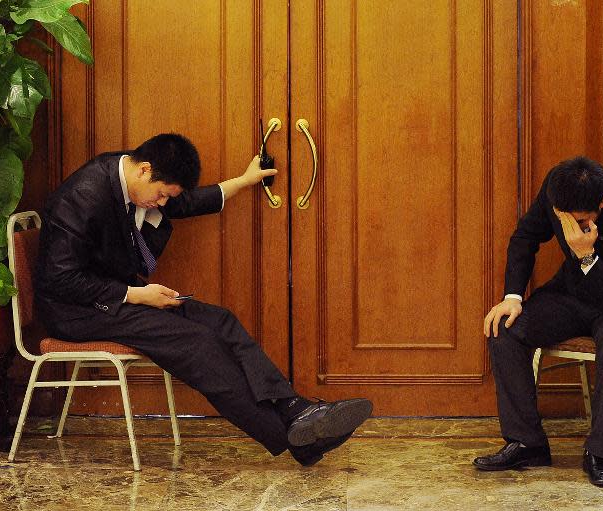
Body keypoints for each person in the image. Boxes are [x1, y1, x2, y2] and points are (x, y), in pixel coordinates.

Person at [34, 133, 372, 466]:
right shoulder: (82, 196)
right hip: (75, 310)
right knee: (197, 342)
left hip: (113, 295)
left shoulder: (137, 175)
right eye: (162, 195)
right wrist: (136, 294)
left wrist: (243, 180)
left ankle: (296, 409)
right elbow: (59, 279)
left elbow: (185, 202)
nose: (163, 204)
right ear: (144, 171)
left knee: (218, 320)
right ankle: (296, 439)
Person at [474, 156, 603, 487]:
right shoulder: (557, 192)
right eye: (563, 217)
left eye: (578, 221)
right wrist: (512, 298)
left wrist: (587, 257)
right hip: (573, 296)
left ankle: (598, 452)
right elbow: (524, 237)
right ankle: (527, 443)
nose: (568, 225)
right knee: (503, 328)